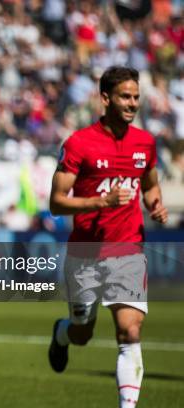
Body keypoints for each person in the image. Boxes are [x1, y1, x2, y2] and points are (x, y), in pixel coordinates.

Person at [48, 66, 168, 408]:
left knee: (129, 332)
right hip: (85, 254)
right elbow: (56, 203)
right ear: (105, 98)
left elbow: (150, 185)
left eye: (136, 97)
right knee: (82, 333)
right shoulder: (78, 143)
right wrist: (101, 201)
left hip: (129, 249)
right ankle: (62, 333)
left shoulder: (145, 142)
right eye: (125, 96)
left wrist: (155, 204)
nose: (132, 103)